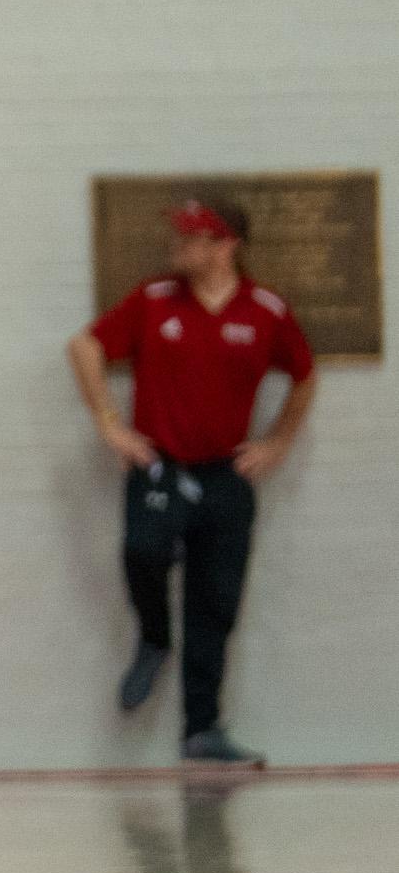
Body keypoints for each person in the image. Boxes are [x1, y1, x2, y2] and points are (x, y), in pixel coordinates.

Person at [67, 195, 313, 767]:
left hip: (226, 474)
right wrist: (109, 423)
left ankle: (201, 731)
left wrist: (278, 441)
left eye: (192, 236)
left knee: (216, 602)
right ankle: (154, 637)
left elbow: (304, 375)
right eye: (178, 234)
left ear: (227, 245)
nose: (177, 244)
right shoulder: (155, 300)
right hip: (160, 465)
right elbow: (85, 347)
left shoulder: (266, 311)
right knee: (144, 550)